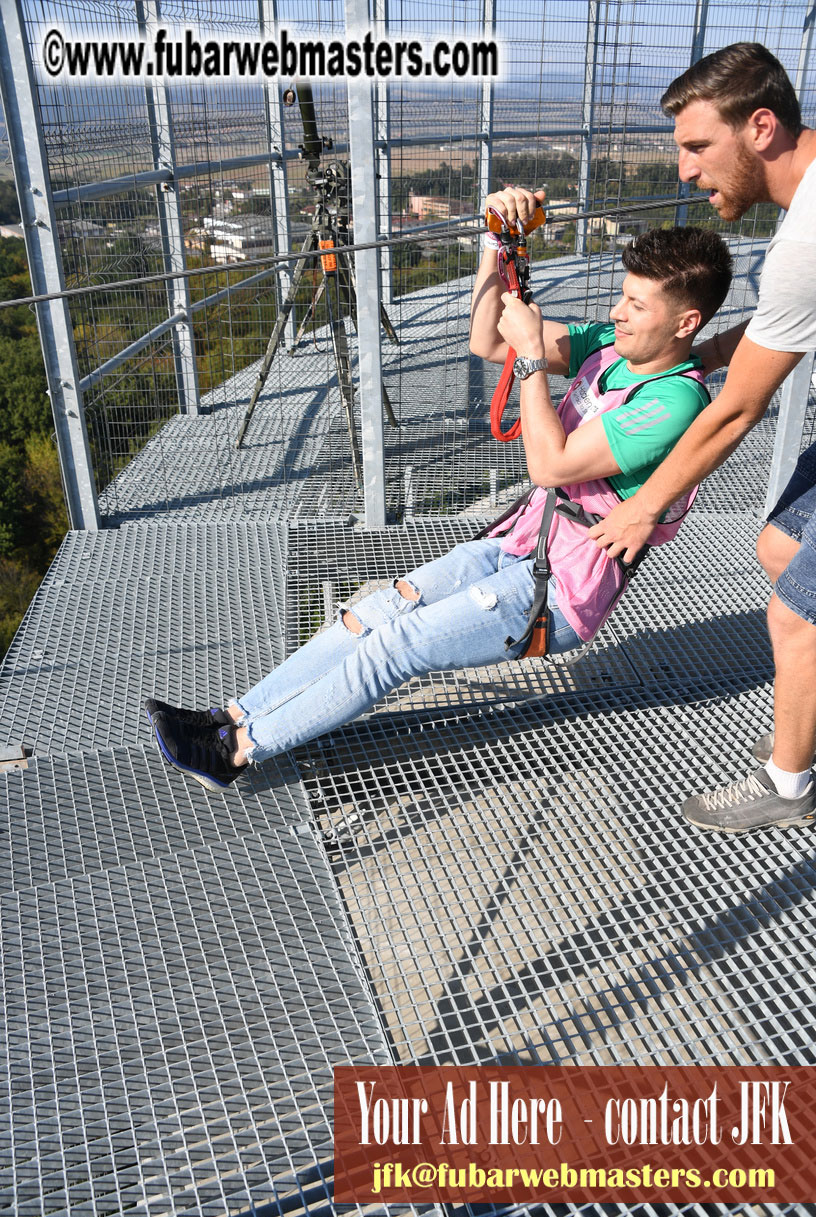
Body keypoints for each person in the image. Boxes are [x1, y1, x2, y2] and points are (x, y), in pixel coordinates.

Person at [146, 214, 732, 793]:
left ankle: (236, 752)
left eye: (636, 305)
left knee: (394, 648)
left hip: (560, 587)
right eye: (622, 296)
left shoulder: (673, 402)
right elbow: (488, 340)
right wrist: (496, 245)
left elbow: (550, 466)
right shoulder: (610, 348)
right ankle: (231, 717)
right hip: (520, 544)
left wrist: (532, 356)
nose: (616, 312)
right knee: (373, 615)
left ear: (686, 322)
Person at [585, 43, 816, 833]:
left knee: (797, 616)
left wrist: (645, 506)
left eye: (696, 146)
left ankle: (790, 786)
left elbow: (734, 412)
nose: (684, 171)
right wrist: (710, 353)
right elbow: (785, 323)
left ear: (761, 127)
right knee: (782, 549)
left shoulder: (805, 240)